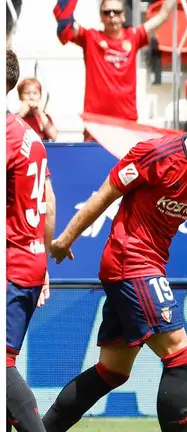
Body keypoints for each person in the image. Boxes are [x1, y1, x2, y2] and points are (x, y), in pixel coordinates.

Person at [42, 84, 187, 432]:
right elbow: (104, 194)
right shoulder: (156, 153)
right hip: (130, 261)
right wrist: (66, 238)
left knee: (112, 371)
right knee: (180, 356)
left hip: (146, 266)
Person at [6, 47, 56, 432]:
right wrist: (44, 268)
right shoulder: (29, 135)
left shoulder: (6, 136)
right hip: (30, 259)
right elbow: (50, 205)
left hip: (9, 263)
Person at [53, 0, 175, 140]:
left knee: (125, 161)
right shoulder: (90, 37)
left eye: (116, 12)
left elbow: (163, 15)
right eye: (106, 12)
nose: (111, 15)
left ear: (123, 16)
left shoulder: (133, 36)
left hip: (126, 121)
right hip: (95, 123)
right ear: (101, 17)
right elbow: (64, 20)